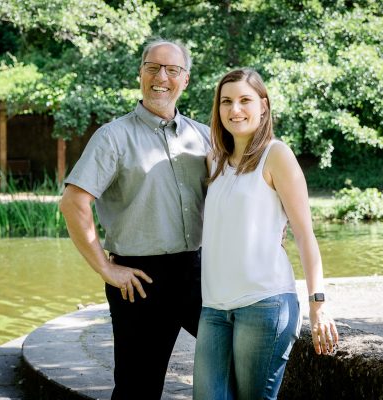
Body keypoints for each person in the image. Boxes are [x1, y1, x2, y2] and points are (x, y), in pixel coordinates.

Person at [59, 39, 210, 400]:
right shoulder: (113, 137)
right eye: (153, 67)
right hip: (139, 280)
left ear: (185, 80)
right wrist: (105, 269)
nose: (162, 77)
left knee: (234, 363)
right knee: (137, 388)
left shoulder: (204, 135)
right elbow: (73, 203)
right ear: (140, 73)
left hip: (200, 272)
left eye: (172, 70)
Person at [193, 68, 339, 400]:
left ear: (263, 106)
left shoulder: (276, 155)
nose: (235, 110)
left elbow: (304, 234)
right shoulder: (214, 158)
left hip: (265, 305)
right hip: (214, 308)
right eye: (226, 101)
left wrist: (318, 305)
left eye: (245, 100)